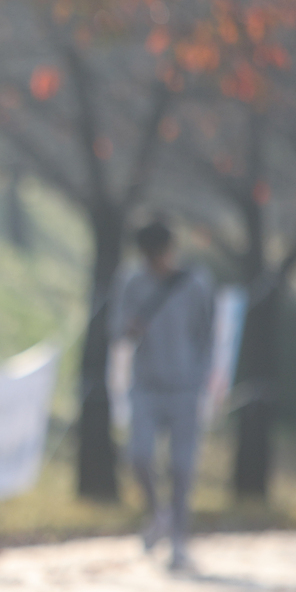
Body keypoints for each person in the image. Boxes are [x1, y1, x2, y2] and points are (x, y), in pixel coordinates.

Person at [111, 218, 215, 572]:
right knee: (139, 455)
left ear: (171, 251)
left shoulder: (195, 284)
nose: (154, 262)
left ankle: (179, 542)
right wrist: (129, 329)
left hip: (185, 388)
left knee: (182, 468)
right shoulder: (132, 282)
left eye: (158, 255)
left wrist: (203, 380)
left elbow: (207, 335)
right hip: (146, 385)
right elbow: (117, 330)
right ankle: (158, 514)